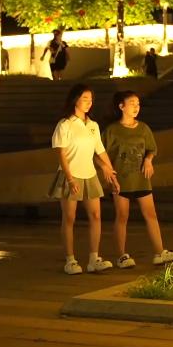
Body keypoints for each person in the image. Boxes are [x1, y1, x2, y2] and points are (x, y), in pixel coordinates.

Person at [103, 91, 173, 268]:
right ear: (121, 106)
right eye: (132, 103)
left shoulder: (143, 128)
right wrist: (108, 171)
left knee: (150, 214)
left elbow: (152, 149)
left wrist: (148, 160)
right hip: (121, 180)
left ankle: (160, 252)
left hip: (141, 178)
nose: (136, 107)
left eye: (138, 103)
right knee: (122, 216)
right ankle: (121, 255)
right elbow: (101, 153)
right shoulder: (112, 130)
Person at [49, 84, 119, 275]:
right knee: (69, 217)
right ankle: (70, 260)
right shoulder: (65, 124)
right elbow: (61, 154)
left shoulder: (93, 125)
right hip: (70, 175)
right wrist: (70, 178)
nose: (89, 103)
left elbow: (100, 151)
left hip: (90, 175)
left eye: (91, 99)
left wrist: (111, 173)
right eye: (85, 99)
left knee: (96, 216)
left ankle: (94, 259)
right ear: (75, 100)